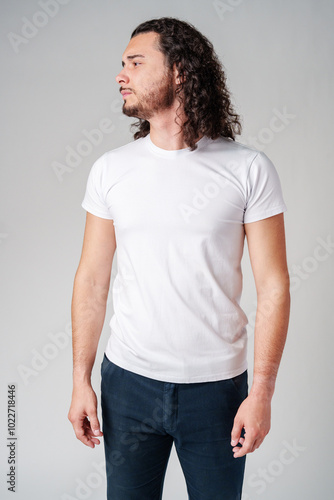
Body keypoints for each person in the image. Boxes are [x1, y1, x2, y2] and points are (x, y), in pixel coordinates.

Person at [68, 17, 290, 500]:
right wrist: (80, 380)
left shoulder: (248, 169)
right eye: (121, 64)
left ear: (180, 72)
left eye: (135, 62)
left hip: (217, 391)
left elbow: (274, 285)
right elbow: (91, 280)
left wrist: (263, 394)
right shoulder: (111, 170)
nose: (120, 74)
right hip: (127, 385)